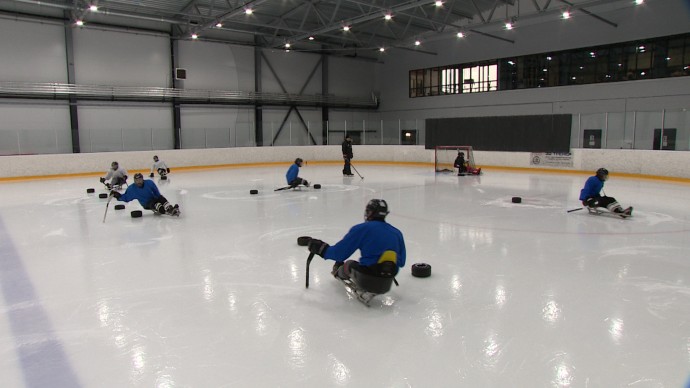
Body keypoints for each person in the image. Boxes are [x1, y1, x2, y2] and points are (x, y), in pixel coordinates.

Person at [308, 199, 406, 282]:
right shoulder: (397, 233)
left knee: (348, 264)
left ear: (370, 212)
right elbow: (401, 262)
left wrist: (322, 249)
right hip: (388, 279)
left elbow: (339, 254)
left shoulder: (362, 229)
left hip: (367, 277)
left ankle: (339, 272)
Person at [111, 173, 180, 216]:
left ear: (143, 179)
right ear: (134, 181)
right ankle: (164, 211)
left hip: (154, 198)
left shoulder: (149, 183)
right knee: (157, 204)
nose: (139, 182)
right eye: (137, 180)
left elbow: (156, 192)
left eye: (140, 180)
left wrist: (159, 198)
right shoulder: (132, 189)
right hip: (146, 204)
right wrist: (118, 195)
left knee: (161, 198)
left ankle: (170, 208)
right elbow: (126, 198)